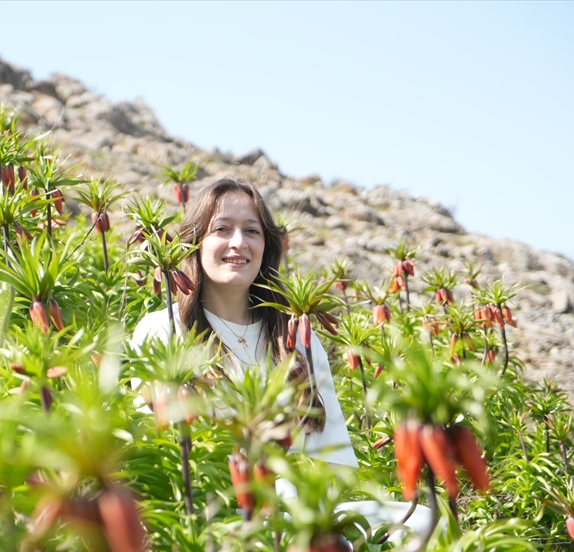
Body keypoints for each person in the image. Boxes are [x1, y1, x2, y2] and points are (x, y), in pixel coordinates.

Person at [130, 177, 432, 533]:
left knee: (427, 522)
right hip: (214, 515)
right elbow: (155, 451)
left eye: (252, 231)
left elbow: (334, 460)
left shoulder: (297, 339)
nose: (238, 242)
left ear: (266, 247)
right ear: (196, 242)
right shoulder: (163, 328)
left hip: (302, 511)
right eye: (222, 229)